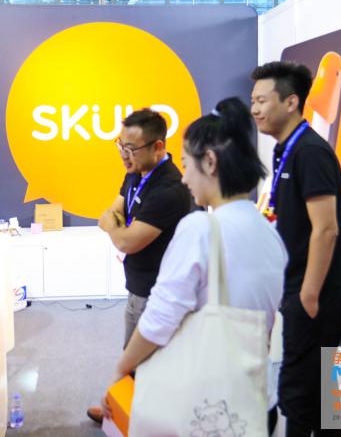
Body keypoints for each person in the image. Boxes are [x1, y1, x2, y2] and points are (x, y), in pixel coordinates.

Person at [104, 97, 287, 432]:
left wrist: (121, 369)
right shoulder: (270, 233)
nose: (185, 179)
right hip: (258, 397)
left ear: (210, 162)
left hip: (209, 405)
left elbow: (158, 321)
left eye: (187, 165)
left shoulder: (200, 229)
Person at [250, 61, 341, 436]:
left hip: (320, 294)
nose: (255, 109)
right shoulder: (285, 149)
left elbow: (326, 229)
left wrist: (308, 296)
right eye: (253, 100)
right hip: (307, 289)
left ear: (291, 102)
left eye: (262, 100)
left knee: (296, 396)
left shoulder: (310, 152)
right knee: (321, 394)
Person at [87, 108, 191, 424]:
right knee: (133, 356)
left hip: (158, 291)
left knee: (147, 360)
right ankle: (121, 412)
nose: (124, 155)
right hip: (138, 283)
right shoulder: (135, 172)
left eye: (131, 148)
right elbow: (110, 214)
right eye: (121, 145)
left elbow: (127, 241)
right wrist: (118, 228)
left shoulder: (169, 189)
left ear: (158, 147)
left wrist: (117, 229)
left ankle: (136, 419)